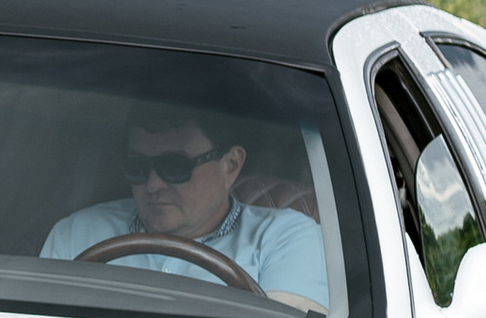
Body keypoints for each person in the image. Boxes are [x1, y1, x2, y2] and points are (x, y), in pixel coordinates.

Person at [41, 110, 329, 306]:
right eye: (137, 167)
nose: (153, 185)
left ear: (230, 165)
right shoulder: (77, 233)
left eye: (175, 167)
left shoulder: (287, 239)